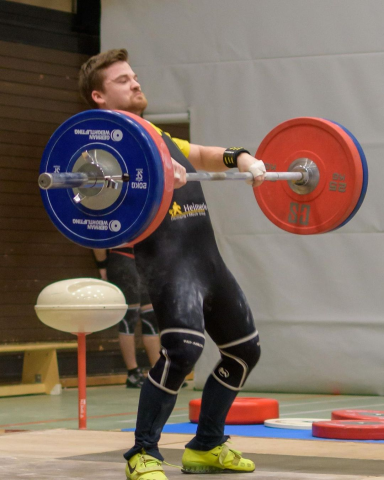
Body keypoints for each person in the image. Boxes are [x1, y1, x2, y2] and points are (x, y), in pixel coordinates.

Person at [79, 48, 266, 480]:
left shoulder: (159, 137)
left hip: (208, 261)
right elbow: (96, 209)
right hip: (169, 264)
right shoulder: (98, 155)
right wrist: (150, 178)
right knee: (183, 351)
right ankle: (142, 453)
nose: (135, 82)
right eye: (122, 79)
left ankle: (206, 445)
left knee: (244, 351)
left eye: (134, 75)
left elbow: (202, 153)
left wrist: (243, 157)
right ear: (99, 97)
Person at [93, 247, 160, 388]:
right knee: (130, 317)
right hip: (122, 259)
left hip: (143, 260)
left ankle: (158, 371)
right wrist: (102, 266)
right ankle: (133, 372)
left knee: (151, 318)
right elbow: (98, 239)